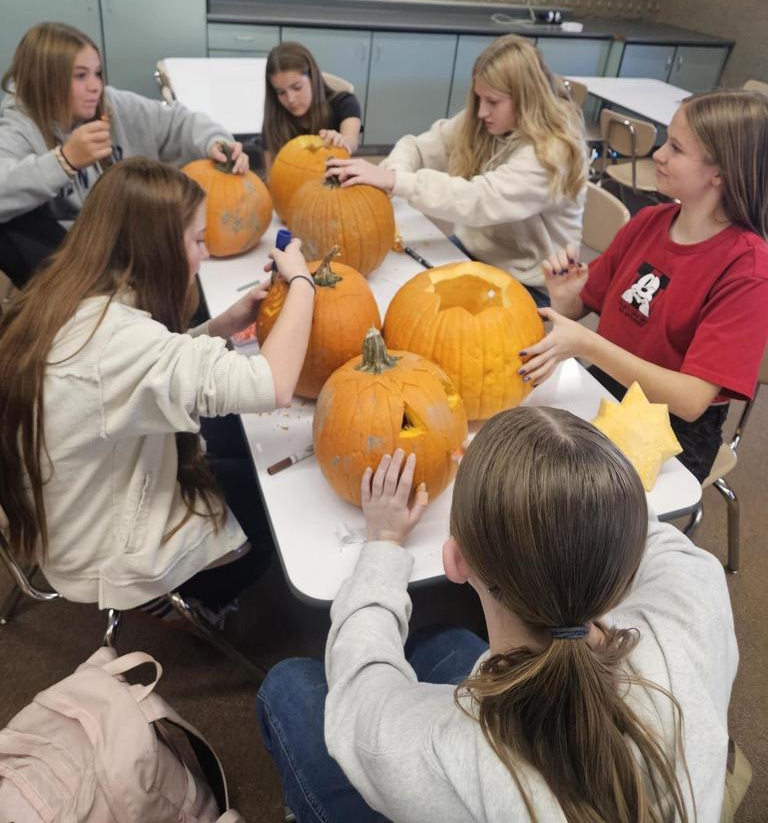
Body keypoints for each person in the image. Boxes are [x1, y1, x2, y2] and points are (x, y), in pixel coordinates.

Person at [257, 408, 736, 822]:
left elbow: (360, 694)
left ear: (455, 562)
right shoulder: (692, 607)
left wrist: (382, 541)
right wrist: (570, 483)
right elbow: (647, 536)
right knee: (442, 644)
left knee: (289, 686)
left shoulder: (450, 753)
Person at [0, 157, 315, 617]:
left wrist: (222, 325)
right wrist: (302, 282)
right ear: (158, 249)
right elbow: (272, 385)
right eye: (197, 240)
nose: (205, 254)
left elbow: (135, 373)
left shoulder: (68, 293)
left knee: (234, 448)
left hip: (68, 504)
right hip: (103, 546)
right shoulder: (119, 343)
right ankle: (197, 603)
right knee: (275, 513)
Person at [524, 89, 768, 481]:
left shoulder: (748, 270)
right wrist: (564, 295)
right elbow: (578, 308)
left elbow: (690, 401)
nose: (658, 154)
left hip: (673, 430)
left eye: (675, 148)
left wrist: (588, 345)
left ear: (719, 173)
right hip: (604, 387)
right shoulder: (649, 222)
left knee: (557, 496)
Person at [325, 34, 587, 305]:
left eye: (493, 102)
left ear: (526, 98)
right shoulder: (486, 121)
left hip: (529, 284)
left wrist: (395, 181)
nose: (482, 111)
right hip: (472, 253)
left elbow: (480, 200)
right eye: (479, 98)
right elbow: (417, 147)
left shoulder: (553, 153)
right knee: (398, 297)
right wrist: (392, 172)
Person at [0, 22, 250, 286]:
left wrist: (214, 141)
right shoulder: (19, 126)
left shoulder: (111, 104)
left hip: (134, 246)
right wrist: (64, 161)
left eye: (97, 73)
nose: (95, 86)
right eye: (80, 76)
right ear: (47, 80)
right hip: (80, 268)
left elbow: (179, 120)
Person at [263, 41, 362, 162]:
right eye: (281, 92)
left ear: (313, 78)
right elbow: (271, 175)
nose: (291, 99)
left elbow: (351, 141)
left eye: (297, 87)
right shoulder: (274, 116)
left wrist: (341, 140)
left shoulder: (344, 103)